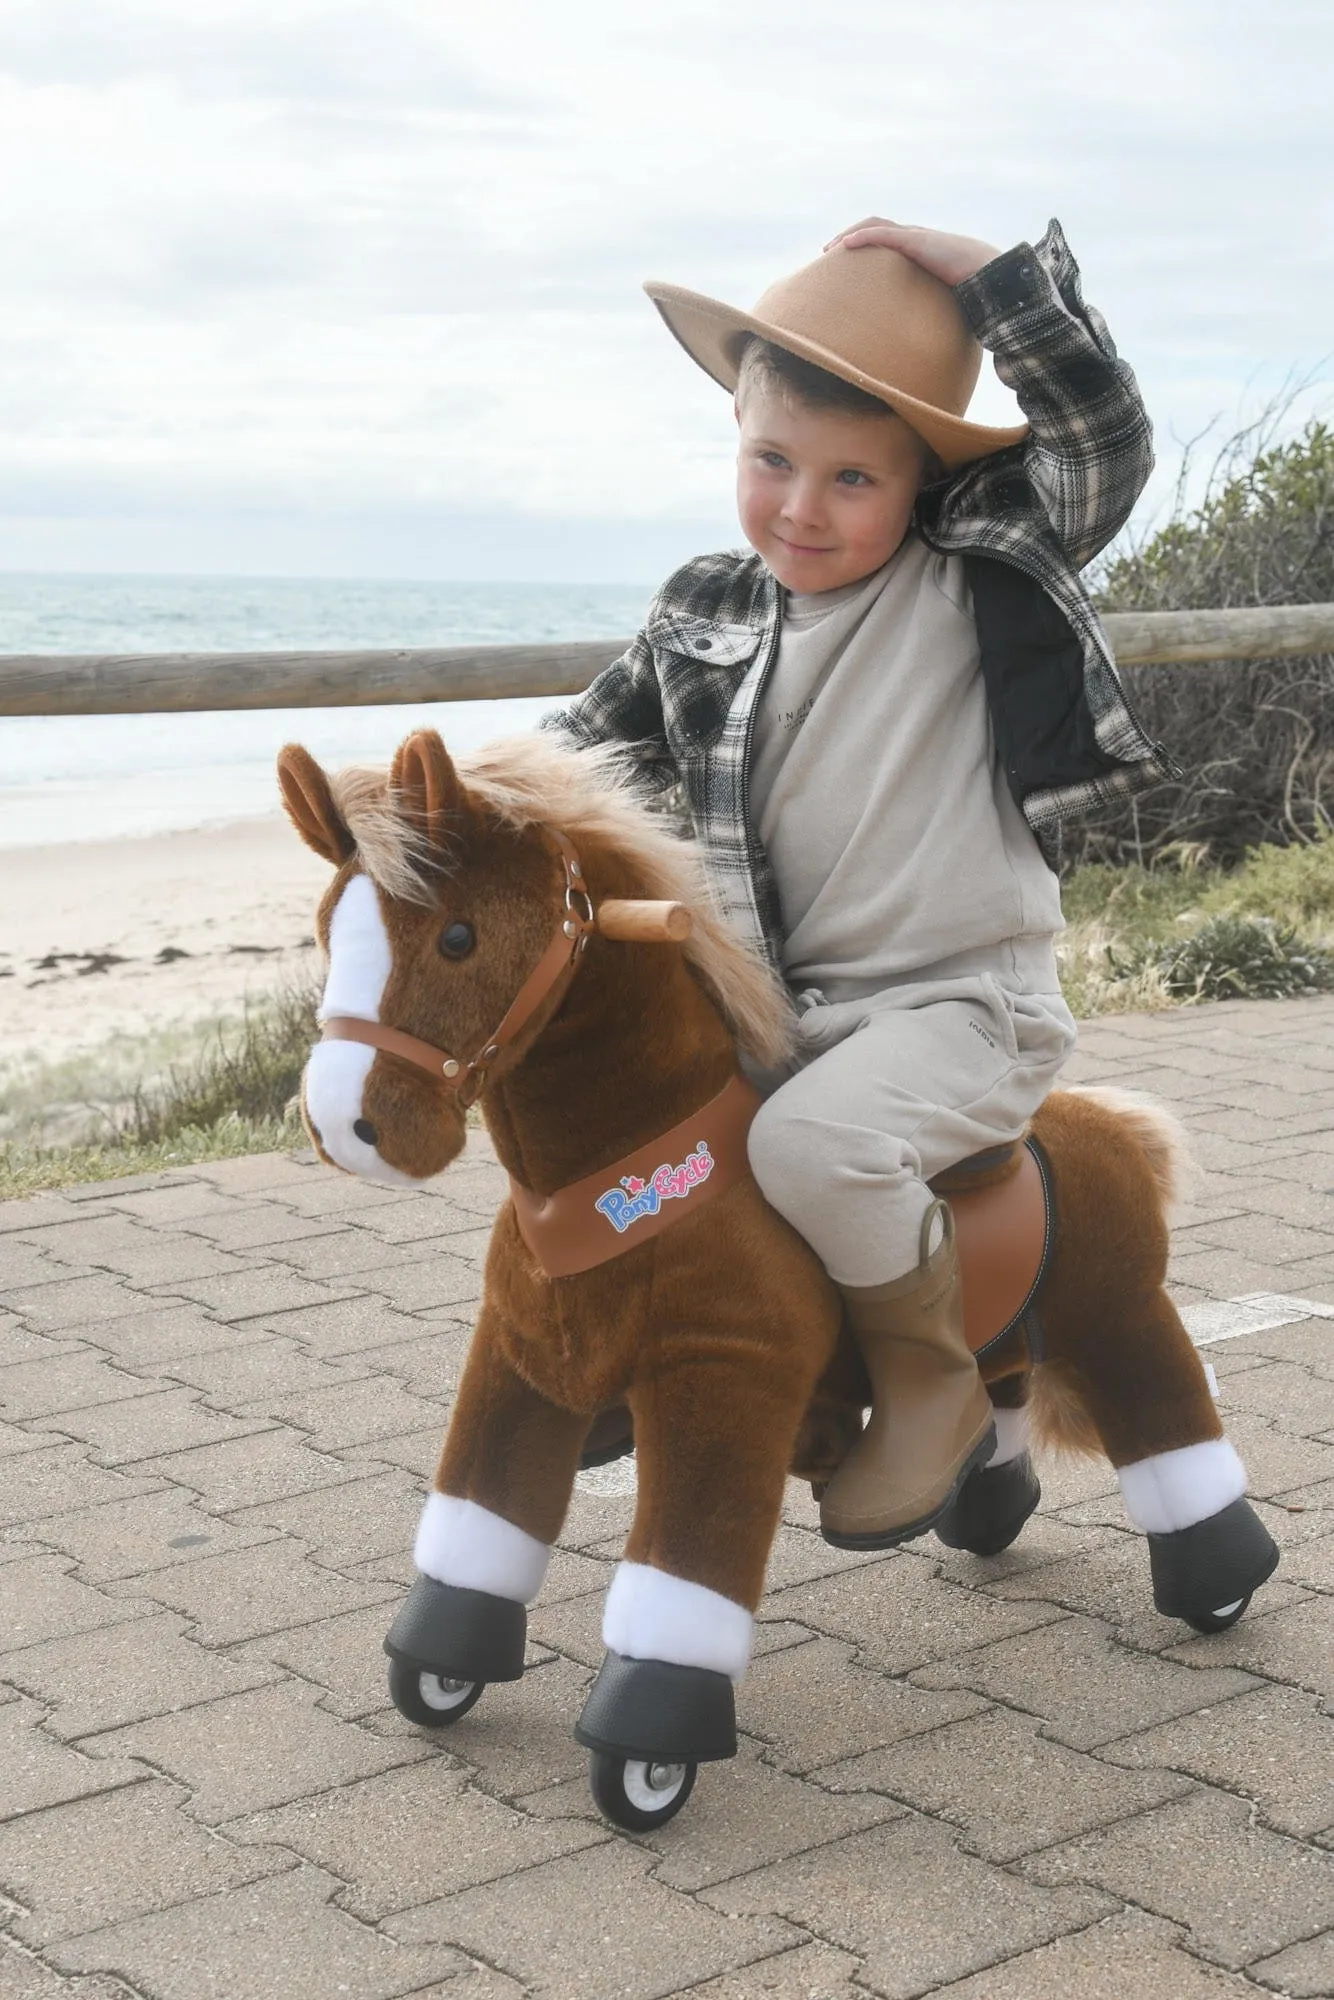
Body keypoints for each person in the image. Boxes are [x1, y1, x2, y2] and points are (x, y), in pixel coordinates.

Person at [543, 215, 1171, 1547]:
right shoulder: (702, 609)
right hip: (788, 1011)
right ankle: (635, 1344)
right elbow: (572, 762)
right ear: (737, 440)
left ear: (919, 481)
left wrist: (987, 276)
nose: (800, 508)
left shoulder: (971, 570)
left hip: (961, 1005)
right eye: (771, 461)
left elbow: (1100, 441)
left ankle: (929, 1386)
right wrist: (436, 817)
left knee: (808, 1146)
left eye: (850, 480)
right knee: (633, 1121)